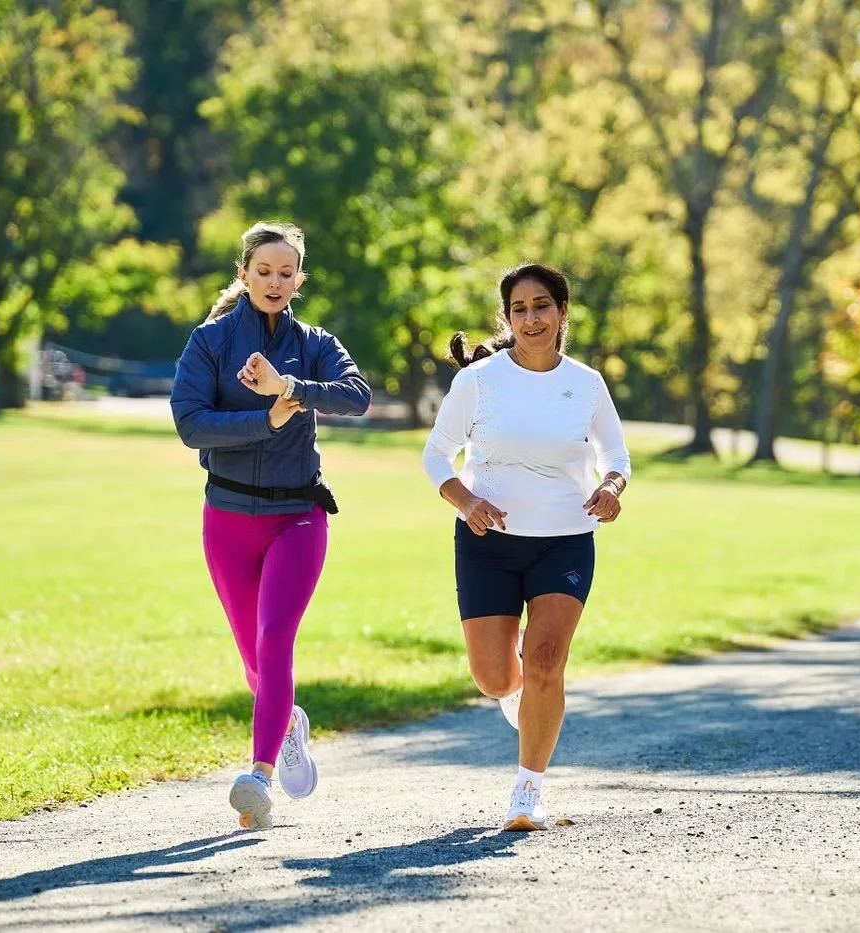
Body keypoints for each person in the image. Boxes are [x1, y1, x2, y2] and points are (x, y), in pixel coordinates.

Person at [170, 221, 372, 830]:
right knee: (255, 659)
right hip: (228, 519)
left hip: (298, 517)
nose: (275, 282)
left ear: (299, 279)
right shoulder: (209, 343)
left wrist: (290, 389)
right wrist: (269, 420)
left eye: (287, 273)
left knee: (275, 637)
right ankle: (286, 722)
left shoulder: (314, 343)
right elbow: (191, 424)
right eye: (264, 271)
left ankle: (257, 775)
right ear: (244, 274)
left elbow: (358, 396)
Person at [421, 263, 630, 831]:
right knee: (494, 678)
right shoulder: (479, 381)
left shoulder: (586, 383)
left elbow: (617, 457)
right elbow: (436, 457)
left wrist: (610, 487)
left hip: (564, 539)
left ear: (562, 313)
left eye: (542, 306)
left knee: (545, 661)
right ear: (507, 318)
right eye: (520, 309)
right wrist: (467, 503)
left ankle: (528, 791)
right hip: (488, 540)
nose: (531, 318)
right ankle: (516, 696)